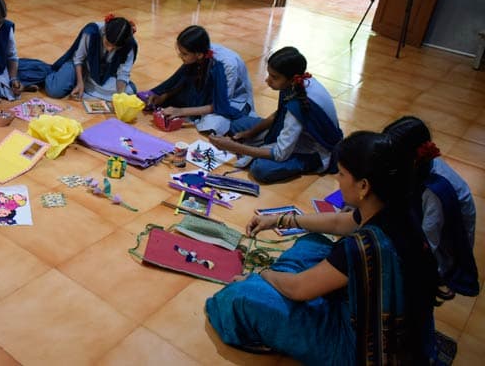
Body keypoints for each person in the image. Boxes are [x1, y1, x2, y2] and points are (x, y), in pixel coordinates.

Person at [205, 131, 439, 365]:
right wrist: (280, 220)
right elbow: (338, 222)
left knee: (237, 297)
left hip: (360, 350)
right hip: (392, 326)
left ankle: (268, 296)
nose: (337, 178)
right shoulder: (395, 210)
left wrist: (260, 275)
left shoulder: (363, 247)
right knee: (312, 242)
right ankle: (278, 284)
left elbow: (299, 289)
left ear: (363, 186)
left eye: (342, 174)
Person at [209, 46, 343, 183]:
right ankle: (255, 142)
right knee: (238, 124)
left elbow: (280, 154)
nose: (268, 80)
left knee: (260, 169)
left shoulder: (298, 104)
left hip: (314, 150)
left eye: (274, 77)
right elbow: (279, 114)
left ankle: (307, 163)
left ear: (292, 79)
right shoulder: (296, 82)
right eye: (269, 74)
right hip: (294, 132)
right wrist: (250, 133)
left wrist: (234, 147)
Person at [384, 115, 479, 298]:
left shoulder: (435, 191)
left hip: (445, 244)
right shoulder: (420, 165)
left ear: (411, 160)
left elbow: (427, 244)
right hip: (431, 217)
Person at [141, 25, 257, 135]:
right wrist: (164, 96)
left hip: (231, 101)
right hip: (206, 92)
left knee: (213, 124)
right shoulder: (200, 53)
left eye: (184, 54)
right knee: (172, 100)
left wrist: (180, 112)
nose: (180, 57)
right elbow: (184, 79)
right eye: (180, 53)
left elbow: (219, 105)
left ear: (199, 55)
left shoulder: (226, 65)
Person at [44, 14, 138, 100]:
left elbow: (123, 73)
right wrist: (80, 83)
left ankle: (79, 85)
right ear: (104, 31)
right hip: (81, 67)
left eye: (115, 48)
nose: (109, 49)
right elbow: (78, 59)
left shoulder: (129, 44)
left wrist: (120, 97)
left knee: (128, 92)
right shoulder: (92, 32)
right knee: (54, 91)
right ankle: (73, 81)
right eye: (107, 43)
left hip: (103, 75)